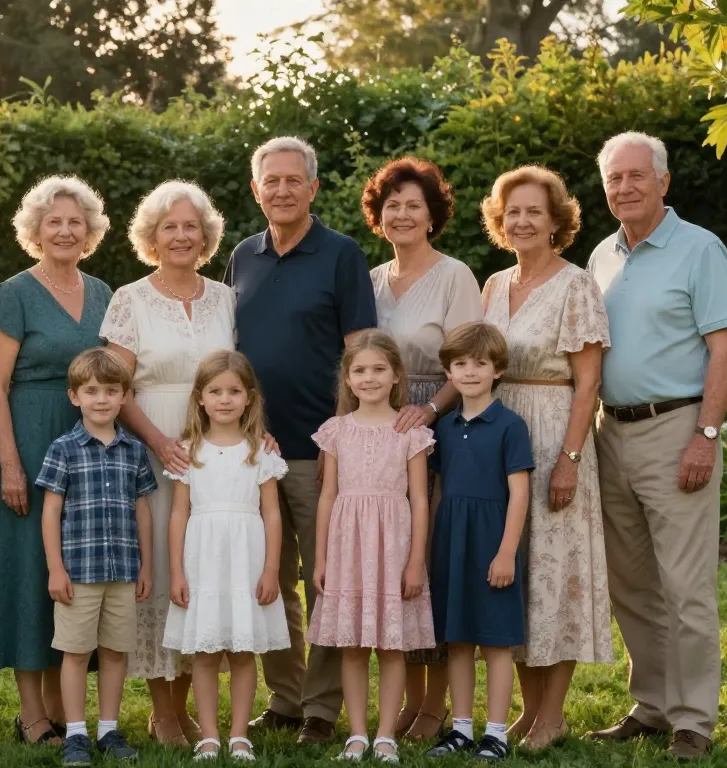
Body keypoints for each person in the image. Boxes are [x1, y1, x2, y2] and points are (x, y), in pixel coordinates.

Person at [585, 132, 727, 761]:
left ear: (663, 182)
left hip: (676, 430)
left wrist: (705, 437)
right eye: (614, 180)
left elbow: (724, 349)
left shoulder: (700, 250)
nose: (624, 188)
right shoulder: (602, 256)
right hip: (609, 431)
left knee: (685, 584)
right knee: (630, 583)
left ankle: (693, 719)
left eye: (636, 177)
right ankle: (651, 704)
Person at [225, 135, 378, 745]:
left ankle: (321, 708)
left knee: (326, 582)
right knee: (268, 580)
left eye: (295, 181)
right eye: (272, 181)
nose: (282, 190)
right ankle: (284, 699)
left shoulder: (341, 255)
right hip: (252, 453)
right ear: (257, 188)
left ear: (313, 188)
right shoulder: (243, 255)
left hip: (320, 454)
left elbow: (360, 353)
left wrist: (342, 440)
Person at [478, 165, 615, 749]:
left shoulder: (575, 284)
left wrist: (570, 458)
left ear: (557, 221)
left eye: (535, 211)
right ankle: (530, 714)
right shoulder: (492, 286)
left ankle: (553, 715)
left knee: (556, 575)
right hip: (499, 438)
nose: (523, 221)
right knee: (517, 576)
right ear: (499, 221)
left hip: (555, 429)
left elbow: (588, 384)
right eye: (513, 212)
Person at [0, 176, 115, 747]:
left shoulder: (106, 294)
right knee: (31, 569)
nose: (64, 231)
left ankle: (69, 707)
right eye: (53, 222)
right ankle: (32, 710)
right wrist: (10, 463)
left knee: (77, 574)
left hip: (91, 448)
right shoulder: (14, 293)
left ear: (90, 233)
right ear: (35, 231)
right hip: (30, 440)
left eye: (75, 222)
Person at [100, 180, 234, 746]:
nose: (181, 236)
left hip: (215, 450)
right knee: (161, 568)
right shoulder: (129, 298)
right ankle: (163, 710)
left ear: (206, 237)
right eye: (169, 227)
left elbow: (239, 378)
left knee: (200, 569)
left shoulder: (226, 298)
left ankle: (186, 700)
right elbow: (112, 383)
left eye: (190, 227)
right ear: (150, 238)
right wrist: (157, 439)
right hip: (154, 447)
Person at [361, 156, 484, 740]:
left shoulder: (455, 275)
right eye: (393, 206)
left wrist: (428, 412)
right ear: (379, 217)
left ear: (433, 215)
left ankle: (434, 704)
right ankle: (407, 699)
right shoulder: (371, 280)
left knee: (429, 560)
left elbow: (472, 360)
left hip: (440, 427)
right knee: (394, 559)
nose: (403, 214)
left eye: (415, 205)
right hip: (383, 430)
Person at [308, 329, 434, 763]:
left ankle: (385, 736)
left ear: (397, 375)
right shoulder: (336, 430)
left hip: (394, 546)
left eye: (379, 369)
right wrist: (321, 558)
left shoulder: (410, 432)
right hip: (348, 547)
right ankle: (357, 734)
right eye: (359, 370)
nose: (369, 378)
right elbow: (327, 496)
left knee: (391, 646)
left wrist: (416, 561)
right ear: (346, 379)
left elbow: (419, 497)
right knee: (353, 646)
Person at [162, 350, 291, 762]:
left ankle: (239, 735)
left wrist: (271, 569)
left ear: (249, 398)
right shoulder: (188, 450)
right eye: (215, 391)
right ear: (200, 397)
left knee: (241, 651)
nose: (224, 399)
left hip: (246, 559)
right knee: (204, 653)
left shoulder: (261, 451)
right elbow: (178, 513)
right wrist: (177, 572)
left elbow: (272, 513)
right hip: (202, 559)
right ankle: (209, 736)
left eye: (234, 391)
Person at [36, 348, 158, 767]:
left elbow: (142, 509)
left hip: (123, 570)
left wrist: (147, 565)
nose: (102, 399)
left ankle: (109, 728)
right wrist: (55, 567)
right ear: (75, 397)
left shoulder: (134, 450)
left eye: (111, 390)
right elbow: (51, 510)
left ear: (125, 396)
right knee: (74, 652)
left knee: (115, 651)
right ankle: (75, 734)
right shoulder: (64, 449)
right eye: (92, 391)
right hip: (79, 573)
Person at [425, 322, 534, 762]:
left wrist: (507, 551)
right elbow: (436, 491)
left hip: (493, 541)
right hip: (452, 541)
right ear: (449, 373)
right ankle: (461, 730)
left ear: (498, 370)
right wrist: (432, 548)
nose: (470, 372)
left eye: (480, 363)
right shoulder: (444, 428)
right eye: (460, 364)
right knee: (458, 639)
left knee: (495, 640)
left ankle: (495, 732)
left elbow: (520, 493)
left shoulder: (510, 425)